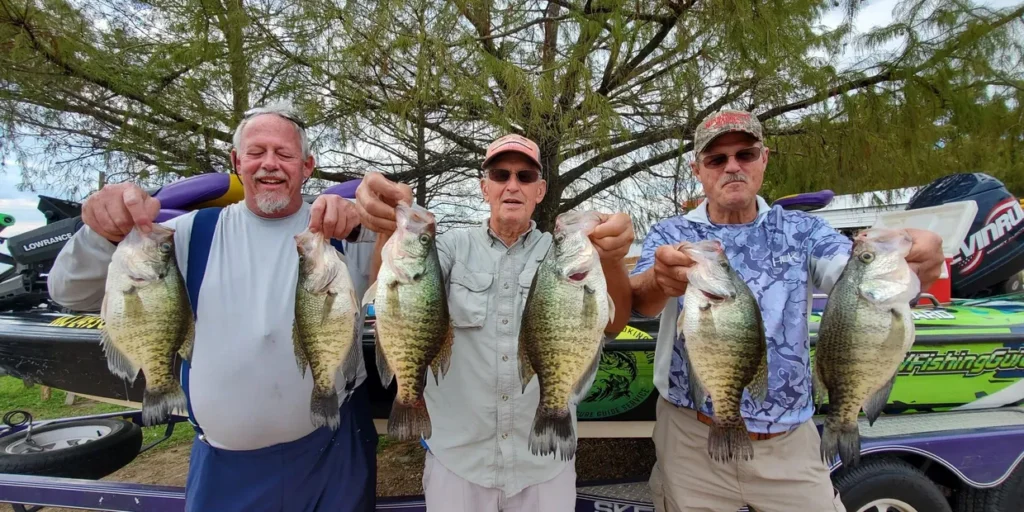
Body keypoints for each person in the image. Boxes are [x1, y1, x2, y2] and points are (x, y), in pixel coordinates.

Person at [47, 102, 378, 512]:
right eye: (256, 153)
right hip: (225, 467)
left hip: (336, 453)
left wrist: (370, 220)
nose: (269, 164)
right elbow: (69, 294)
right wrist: (100, 232)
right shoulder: (185, 234)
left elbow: (413, 262)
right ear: (236, 162)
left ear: (307, 166)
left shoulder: (342, 234)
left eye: (285, 154)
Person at [629, 109, 944, 512]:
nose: (732, 167)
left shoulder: (803, 231)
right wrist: (658, 279)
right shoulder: (672, 234)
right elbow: (640, 299)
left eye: (745, 154)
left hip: (791, 443)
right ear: (698, 169)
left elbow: (850, 276)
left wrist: (914, 260)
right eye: (716, 159)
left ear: (764, 159)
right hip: (692, 440)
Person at [355, 134, 636, 512]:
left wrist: (614, 256)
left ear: (540, 190)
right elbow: (396, 297)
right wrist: (391, 229)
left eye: (525, 176)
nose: (512, 185)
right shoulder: (450, 248)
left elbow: (611, 324)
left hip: (544, 465)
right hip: (458, 461)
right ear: (484, 187)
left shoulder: (564, 252)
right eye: (501, 175)